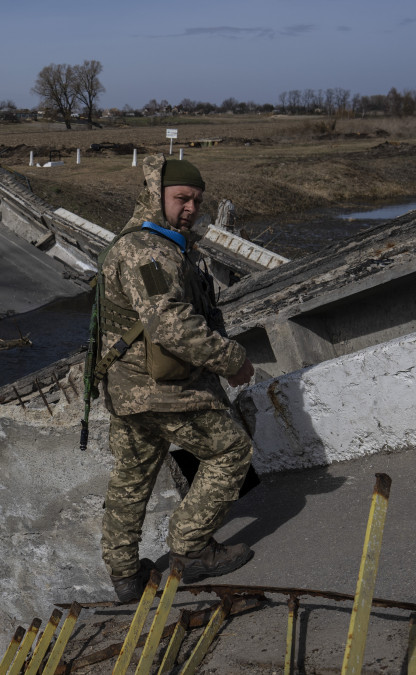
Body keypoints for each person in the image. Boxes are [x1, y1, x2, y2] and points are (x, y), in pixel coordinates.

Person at [95, 155, 256, 602]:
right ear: (155, 195)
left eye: (196, 200)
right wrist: (231, 359)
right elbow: (170, 324)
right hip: (162, 391)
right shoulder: (148, 251)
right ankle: (191, 550)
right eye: (181, 198)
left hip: (129, 391)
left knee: (131, 477)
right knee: (231, 449)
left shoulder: (154, 244)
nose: (190, 208)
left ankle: (125, 576)